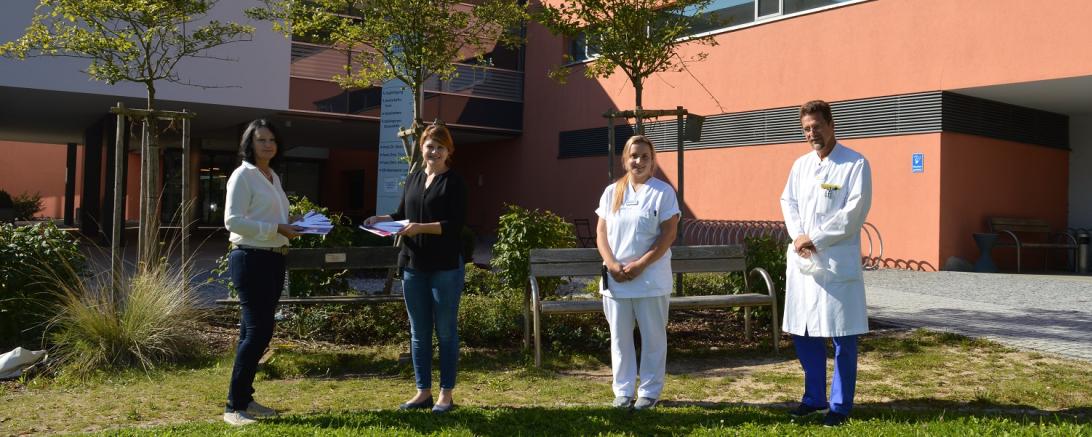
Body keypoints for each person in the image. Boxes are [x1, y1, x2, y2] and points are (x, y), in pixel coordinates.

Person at [780, 100, 873, 427]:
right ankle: (814, 398)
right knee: (804, 332)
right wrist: (799, 235)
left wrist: (814, 237)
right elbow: (787, 201)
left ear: (831, 124)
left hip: (835, 264)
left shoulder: (854, 164)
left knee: (842, 336)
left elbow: (852, 214)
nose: (811, 134)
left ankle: (839, 406)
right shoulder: (801, 165)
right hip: (804, 263)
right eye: (806, 129)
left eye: (816, 126)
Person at [364, 123, 468, 414]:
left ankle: (446, 394)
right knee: (418, 332)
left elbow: (455, 226)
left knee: (445, 331)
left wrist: (419, 228)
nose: (434, 151)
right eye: (429, 145)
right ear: (421, 147)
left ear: (449, 151)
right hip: (413, 265)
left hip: (445, 267)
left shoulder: (455, 182)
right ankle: (422, 391)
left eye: (440, 147)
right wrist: (380, 219)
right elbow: (401, 215)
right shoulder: (413, 178)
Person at [222, 119, 303, 426]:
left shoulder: (272, 177)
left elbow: (272, 217)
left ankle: (245, 399)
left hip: (273, 258)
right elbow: (233, 221)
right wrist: (276, 227)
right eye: (261, 140)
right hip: (250, 259)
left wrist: (293, 222)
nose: (268, 145)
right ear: (249, 144)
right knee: (258, 332)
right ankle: (233, 407)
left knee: (253, 332)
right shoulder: (243, 175)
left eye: (272, 140)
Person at [594, 135, 681, 411]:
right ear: (625, 159)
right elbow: (601, 233)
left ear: (653, 160)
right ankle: (622, 391)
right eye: (634, 156)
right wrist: (611, 263)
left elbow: (669, 234)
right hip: (616, 280)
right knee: (619, 339)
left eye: (644, 156)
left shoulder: (663, 192)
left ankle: (649, 392)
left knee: (653, 337)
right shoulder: (612, 192)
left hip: (650, 280)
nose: (639, 161)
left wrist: (641, 264)